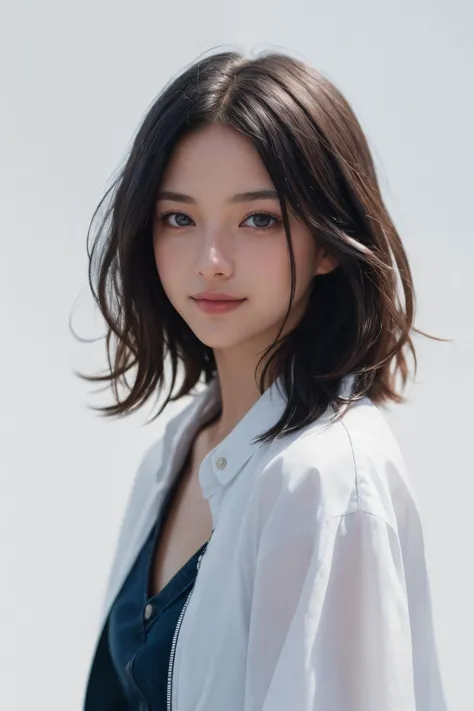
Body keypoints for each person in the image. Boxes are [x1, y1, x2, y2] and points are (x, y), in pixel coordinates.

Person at [79, 48, 448, 711]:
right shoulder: (175, 454)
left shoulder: (330, 480)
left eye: (258, 219)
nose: (211, 261)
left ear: (329, 241)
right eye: (179, 218)